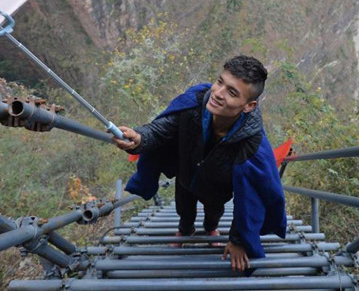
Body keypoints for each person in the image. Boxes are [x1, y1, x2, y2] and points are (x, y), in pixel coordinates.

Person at [113, 55, 286, 272]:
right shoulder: (193, 105)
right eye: (220, 82)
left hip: (218, 189)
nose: (218, 93)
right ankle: (185, 230)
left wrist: (238, 240)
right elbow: (163, 129)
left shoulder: (252, 142)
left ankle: (211, 229)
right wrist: (140, 138)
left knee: (214, 215)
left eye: (232, 92)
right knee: (184, 210)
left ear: (249, 106)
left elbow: (253, 195)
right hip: (186, 177)